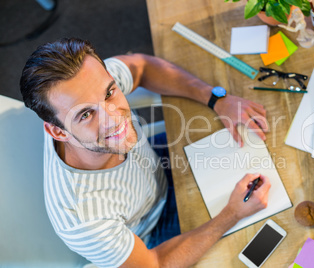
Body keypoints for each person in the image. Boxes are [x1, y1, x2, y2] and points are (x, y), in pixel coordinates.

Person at [20, 37, 272, 267]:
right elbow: (155, 263)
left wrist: (216, 98)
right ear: (59, 133)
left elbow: (142, 66)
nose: (114, 120)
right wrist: (232, 214)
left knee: (259, 142)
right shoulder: (84, 221)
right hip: (153, 231)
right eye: (86, 115)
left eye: (109, 93)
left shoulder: (86, 81)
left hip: (155, 166)